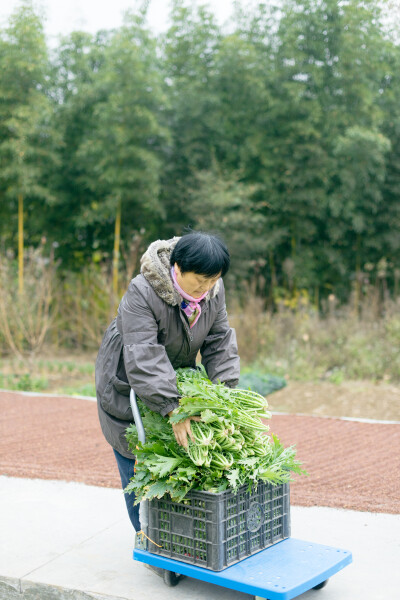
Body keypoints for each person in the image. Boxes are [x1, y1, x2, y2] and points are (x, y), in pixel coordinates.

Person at [95, 231, 240, 531]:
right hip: (126, 381)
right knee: (136, 453)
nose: (206, 287)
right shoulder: (142, 291)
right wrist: (173, 407)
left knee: (178, 454)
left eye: (212, 280)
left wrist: (224, 398)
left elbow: (219, 342)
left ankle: (179, 534)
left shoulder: (213, 289)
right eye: (200, 281)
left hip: (170, 375)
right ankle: (147, 535)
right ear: (178, 267)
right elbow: (144, 355)